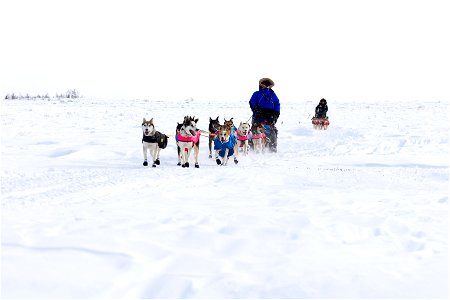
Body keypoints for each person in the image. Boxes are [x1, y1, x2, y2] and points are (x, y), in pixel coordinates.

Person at [249, 78, 280, 152]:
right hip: (258, 115)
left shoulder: (273, 94)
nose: (266, 86)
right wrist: (255, 109)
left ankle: (272, 147)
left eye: (267, 84)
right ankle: (251, 147)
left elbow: (277, 104)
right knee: (255, 130)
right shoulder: (257, 93)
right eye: (264, 84)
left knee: (272, 130)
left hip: (270, 116)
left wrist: (276, 114)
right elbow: (252, 101)